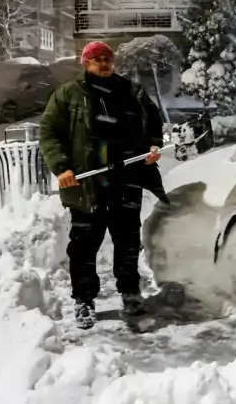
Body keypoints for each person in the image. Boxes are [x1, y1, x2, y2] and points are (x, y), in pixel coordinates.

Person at [38, 40, 168, 329]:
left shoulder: (130, 92)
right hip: (87, 185)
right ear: (85, 64)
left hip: (125, 179)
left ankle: (130, 292)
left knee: (127, 243)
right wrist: (61, 167)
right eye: (96, 59)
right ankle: (84, 299)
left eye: (107, 59)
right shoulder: (68, 95)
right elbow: (48, 132)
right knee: (84, 246)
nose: (103, 63)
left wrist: (152, 147)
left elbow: (153, 121)